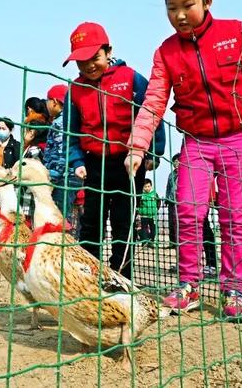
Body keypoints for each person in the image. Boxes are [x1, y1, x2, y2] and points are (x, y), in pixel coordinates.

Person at [125, 0, 242, 320]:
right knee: (187, 209)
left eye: (188, 5)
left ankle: (234, 290)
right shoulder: (166, 52)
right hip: (196, 142)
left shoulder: (237, 32)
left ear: (207, 1)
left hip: (240, 138)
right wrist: (137, 145)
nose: (180, 15)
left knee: (234, 216)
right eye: (172, 8)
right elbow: (154, 101)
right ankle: (189, 285)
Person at [62, 21, 166, 280]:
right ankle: (88, 276)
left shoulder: (131, 78)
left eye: (94, 57)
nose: (88, 66)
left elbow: (152, 114)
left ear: (109, 51)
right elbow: (70, 131)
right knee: (91, 224)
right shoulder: (75, 90)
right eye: (80, 62)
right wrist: (76, 160)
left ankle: (121, 277)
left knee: (124, 223)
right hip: (93, 163)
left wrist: (153, 153)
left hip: (129, 162)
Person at [166, 153, 217, 278]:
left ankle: (211, 264)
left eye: (179, 161)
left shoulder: (194, 170)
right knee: (180, 235)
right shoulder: (172, 175)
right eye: (175, 162)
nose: (177, 163)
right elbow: (169, 189)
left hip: (197, 205)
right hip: (177, 207)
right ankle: (183, 264)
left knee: (205, 232)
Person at [42, 84, 84, 227]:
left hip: (63, 176)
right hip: (68, 175)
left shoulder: (61, 122)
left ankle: (59, 246)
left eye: (47, 101)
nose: (46, 105)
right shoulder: (69, 119)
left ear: (54, 102)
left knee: (57, 216)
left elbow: (62, 152)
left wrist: (52, 177)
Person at [137, 179, 160, 247]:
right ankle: (144, 243)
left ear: (151, 186)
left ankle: (151, 242)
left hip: (153, 216)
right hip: (144, 215)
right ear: (143, 187)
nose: (147, 188)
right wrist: (139, 211)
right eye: (145, 186)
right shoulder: (141, 195)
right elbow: (138, 204)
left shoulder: (154, 194)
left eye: (148, 186)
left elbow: (158, 201)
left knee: (154, 230)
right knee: (144, 230)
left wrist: (156, 209)